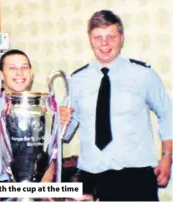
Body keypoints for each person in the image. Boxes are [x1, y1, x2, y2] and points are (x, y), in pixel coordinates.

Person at [59, 10, 172, 201]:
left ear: (121, 38)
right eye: (98, 37)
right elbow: (65, 133)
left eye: (111, 36)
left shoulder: (143, 74)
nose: (105, 43)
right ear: (90, 39)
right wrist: (61, 120)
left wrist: (167, 156)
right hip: (91, 177)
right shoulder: (76, 80)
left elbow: (167, 113)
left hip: (136, 177)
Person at [0, 49, 56, 184]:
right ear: (1, 74)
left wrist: (44, 188)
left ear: (31, 73)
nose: (19, 73)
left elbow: (48, 150)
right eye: (12, 68)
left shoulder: (43, 108)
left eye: (24, 67)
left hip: (35, 182)